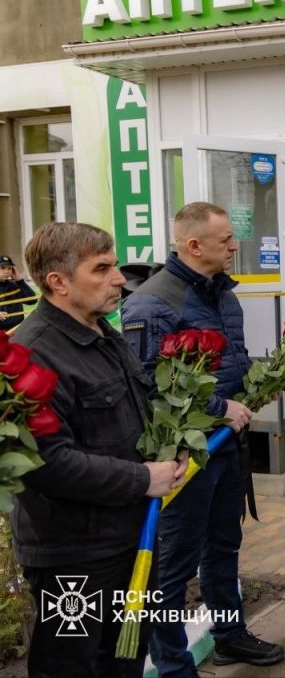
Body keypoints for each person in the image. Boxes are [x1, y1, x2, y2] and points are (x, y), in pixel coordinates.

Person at [11, 222, 186, 676]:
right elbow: (46, 464)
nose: (119, 279)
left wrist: (172, 448)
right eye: (102, 268)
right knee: (71, 667)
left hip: (128, 540)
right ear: (59, 282)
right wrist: (144, 478)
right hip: (74, 558)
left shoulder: (104, 335)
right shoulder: (32, 355)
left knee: (125, 659)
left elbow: (135, 412)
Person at [121, 202, 284, 675]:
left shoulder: (222, 294)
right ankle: (173, 664)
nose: (235, 245)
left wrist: (260, 384)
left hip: (227, 446)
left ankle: (229, 636)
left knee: (224, 547)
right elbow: (149, 384)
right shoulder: (153, 303)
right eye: (226, 239)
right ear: (195, 246)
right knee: (174, 563)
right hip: (185, 456)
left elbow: (232, 361)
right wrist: (221, 409)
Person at [0, 253, 37, 331]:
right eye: (2, 268)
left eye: (9, 268)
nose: (6, 271)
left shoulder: (15, 285)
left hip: (18, 330)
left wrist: (19, 280)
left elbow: (32, 300)